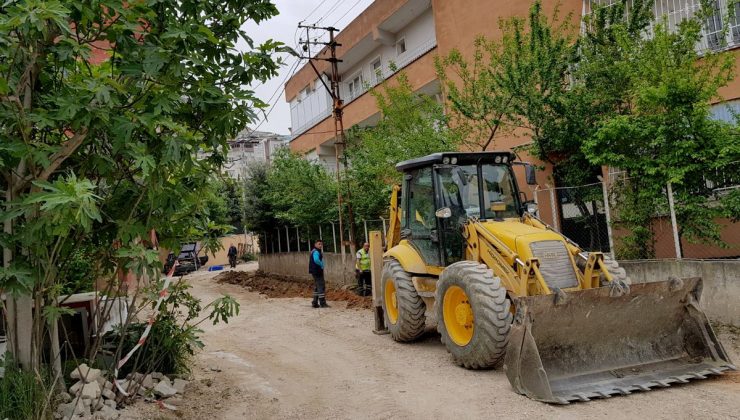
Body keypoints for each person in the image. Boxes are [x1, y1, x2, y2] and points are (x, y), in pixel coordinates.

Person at [308, 239, 329, 308]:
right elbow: (316, 260)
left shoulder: (314, 251)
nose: (320, 245)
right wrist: (321, 265)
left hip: (315, 271)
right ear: (315, 244)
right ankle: (322, 303)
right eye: (319, 244)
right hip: (317, 271)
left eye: (321, 244)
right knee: (321, 286)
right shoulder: (316, 252)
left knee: (317, 287)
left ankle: (314, 302)